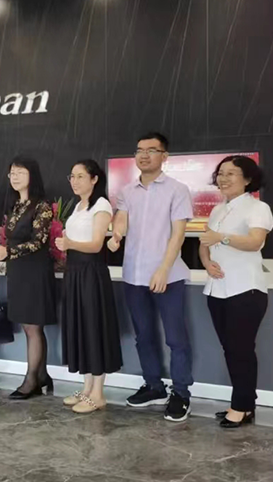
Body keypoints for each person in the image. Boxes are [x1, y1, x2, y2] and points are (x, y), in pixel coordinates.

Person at [109, 131, 194, 422]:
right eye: (139, 150)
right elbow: (122, 218)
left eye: (151, 150)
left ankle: (181, 393)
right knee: (143, 336)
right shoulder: (127, 190)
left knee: (176, 339)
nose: (144, 155)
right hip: (134, 275)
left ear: (164, 156)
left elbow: (178, 234)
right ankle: (154, 386)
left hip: (167, 277)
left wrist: (163, 269)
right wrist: (117, 234)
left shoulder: (177, 189)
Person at [199, 156, 272, 428]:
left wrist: (222, 238)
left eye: (231, 173)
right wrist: (206, 262)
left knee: (241, 349)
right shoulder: (218, 210)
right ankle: (243, 404)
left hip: (246, 290)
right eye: (221, 173)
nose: (223, 178)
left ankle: (241, 406)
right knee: (230, 349)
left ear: (248, 179)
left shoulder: (258, 207)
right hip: (217, 290)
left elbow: (255, 241)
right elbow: (204, 244)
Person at [56, 160, 123, 413]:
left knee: (94, 329)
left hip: (91, 273)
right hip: (74, 272)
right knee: (81, 328)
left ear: (94, 179)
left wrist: (69, 244)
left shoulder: (101, 205)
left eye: (80, 176)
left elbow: (96, 245)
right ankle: (86, 389)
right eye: (72, 176)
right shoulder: (77, 206)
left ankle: (98, 394)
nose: (74, 181)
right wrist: (67, 243)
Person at [0, 156, 56, 399]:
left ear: (32, 175)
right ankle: (42, 375)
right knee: (30, 325)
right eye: (12, 173)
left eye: (20, 172)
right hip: (17, 272)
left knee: (32, 326)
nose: (15, 177)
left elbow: (39, 241)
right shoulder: (15, 205)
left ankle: (31, 381)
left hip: (35, 272)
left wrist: (8, 252)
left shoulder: (42, 205)